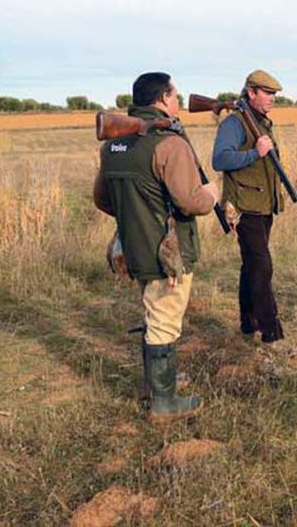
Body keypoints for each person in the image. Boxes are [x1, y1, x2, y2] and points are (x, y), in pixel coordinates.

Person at [93, 72, 220, 419]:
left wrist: (136, 213)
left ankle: (158, 381)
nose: (178, 101)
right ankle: (163, 402)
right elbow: (191, 201)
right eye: (175, 95)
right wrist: (212, 194)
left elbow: (103, 200)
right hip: (167, 252)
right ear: (163, 98)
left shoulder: (114, 144)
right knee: (164, 318)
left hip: (132, 247)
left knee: (154, 313)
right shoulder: (169, 143)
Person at [211, 70, 287, 345]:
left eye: (274, 94)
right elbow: (220, 159)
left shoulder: (260, 122)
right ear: (251, 92)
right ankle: (271, 333)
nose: (272, 99)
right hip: (244, 207)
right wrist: (256, 152)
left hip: (262, 205)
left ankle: (248, 322)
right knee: (262, 267)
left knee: (252, 265)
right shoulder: (234, 123)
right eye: (267, 93)